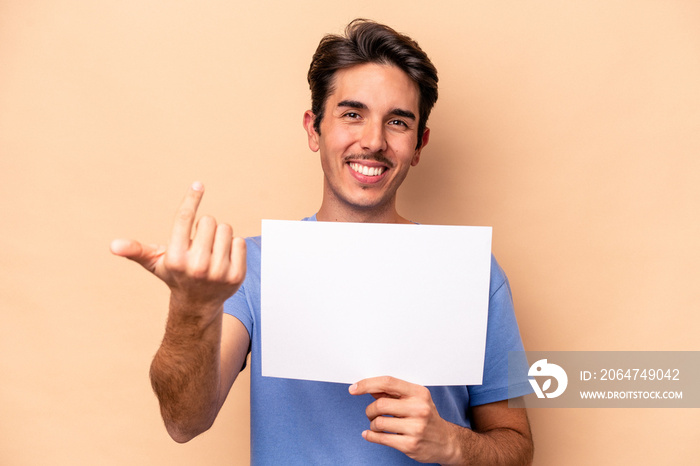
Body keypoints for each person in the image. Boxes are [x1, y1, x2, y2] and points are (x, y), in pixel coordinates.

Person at [111, 19, 534, 465]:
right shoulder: (253, 268)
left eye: (397, 121)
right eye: (352, 114)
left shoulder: (470, 272)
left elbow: (516, 445)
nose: (373, 141)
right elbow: (184, 422)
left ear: (419, 143)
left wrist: (453, 444)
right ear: (314, 129)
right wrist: (191, 308)